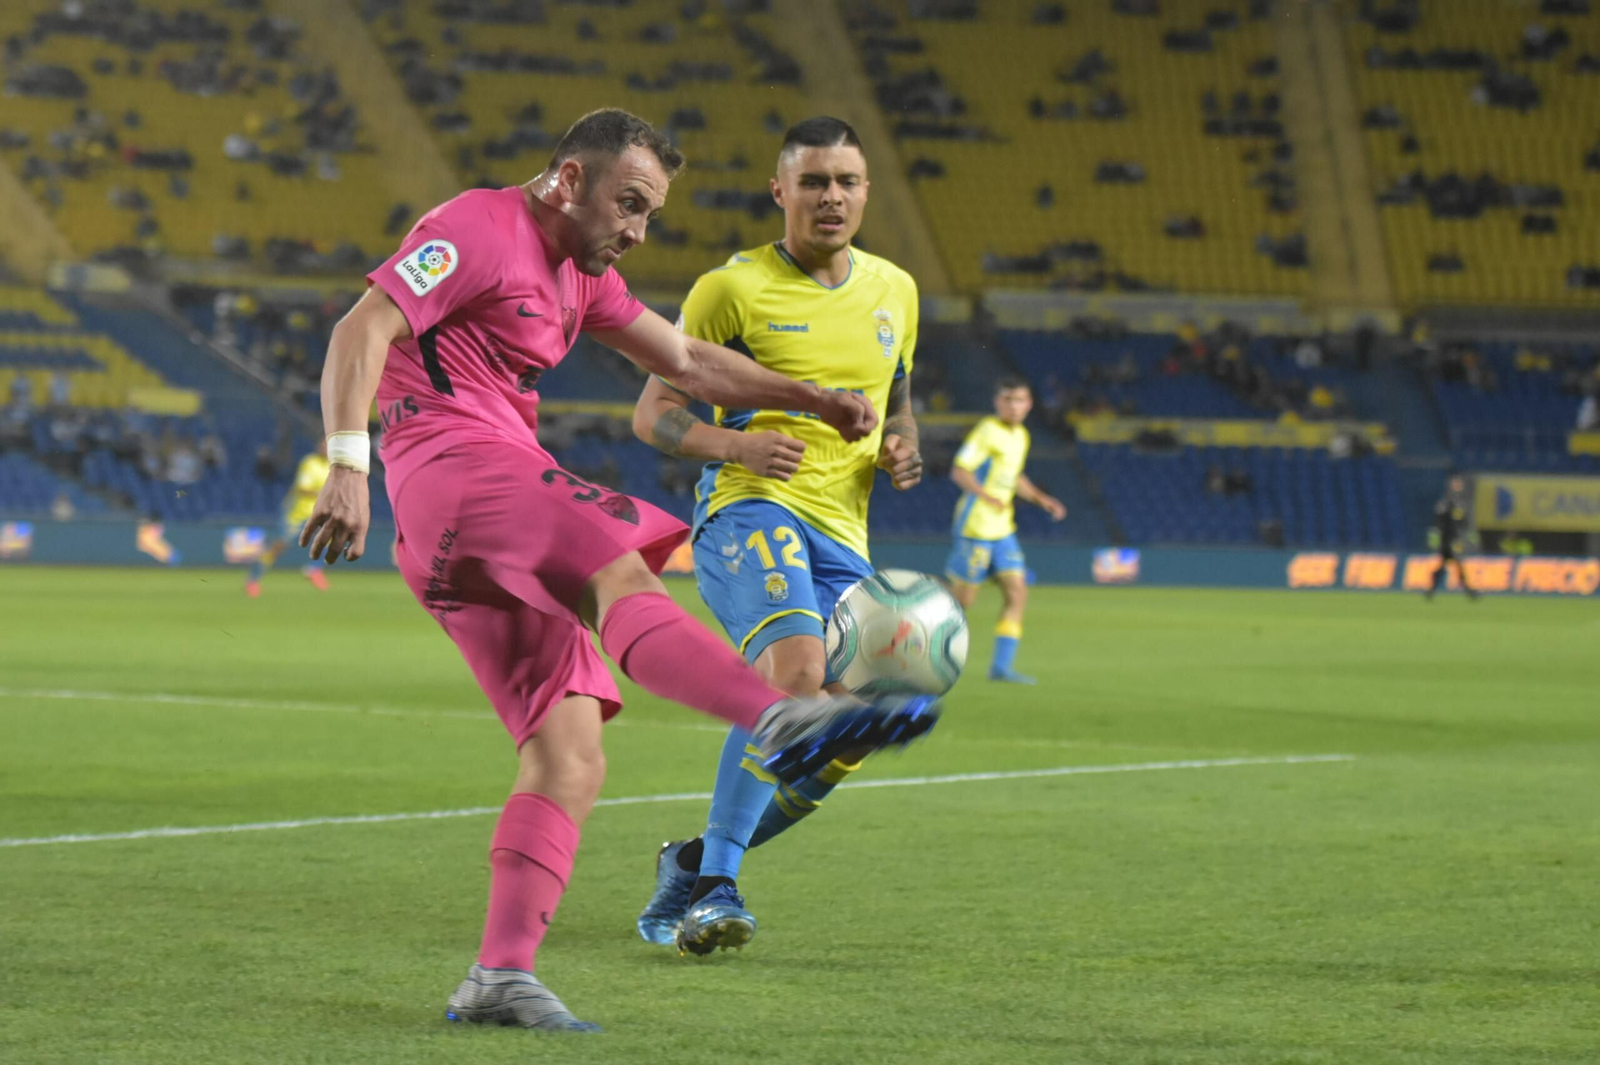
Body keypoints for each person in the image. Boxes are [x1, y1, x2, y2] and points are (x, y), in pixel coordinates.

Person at [298, 108, 939, 1033]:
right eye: (628, 203)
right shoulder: (475, 226)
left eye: (651, 212)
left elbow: (685, 359)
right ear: (567, 181)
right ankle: (783, 718)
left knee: (571, 752)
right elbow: (360, 330)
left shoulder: (578, 275)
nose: (638, 229)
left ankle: (499, 976)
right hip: (458, 470)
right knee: (619, 568)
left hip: (468, 531)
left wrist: (813, 399)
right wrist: (348, 465)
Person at [629, 116, 922, 956]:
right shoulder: (732, 290)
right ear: (780, 191)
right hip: (751, 507)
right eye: (814, 181)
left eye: (847, 182)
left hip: (845, 532)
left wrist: (903, 445)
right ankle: (717, 887)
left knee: (847, 731)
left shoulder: (895, 291)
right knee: (795, 679)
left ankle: (691, 861)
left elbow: (899, 398)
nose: (832, 197)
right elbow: (654, 413)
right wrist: (736, 444)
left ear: (866, 191)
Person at [944, 378, 1067, 683]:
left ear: (1029, 405)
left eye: (1020, 400)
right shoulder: (987, 430)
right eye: (1008, 399)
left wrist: (1042, 499)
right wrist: (984, 495)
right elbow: (960, 470)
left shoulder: (1021, 436)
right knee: (963, 602)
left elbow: (1014, 477)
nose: (1014, 406)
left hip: (1002, 529)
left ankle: (1001, 667)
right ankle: (916, 638)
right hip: (976, 526)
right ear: (997, 402)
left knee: (1017, 591)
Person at [246, 439, 330, 597]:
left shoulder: (333, 466)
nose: (324, 448)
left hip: (319, 513)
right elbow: (303, 489)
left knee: (334, 534)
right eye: (322, 444)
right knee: (278, 547)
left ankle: (314, 569)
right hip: (297, 513)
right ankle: (253, 580)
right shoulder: (310, 463)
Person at [1426, 474, 1478, 601]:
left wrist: (1469, 535)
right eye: (1455, 484)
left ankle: (1431, 590)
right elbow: (1438, 522)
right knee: (1456, 564)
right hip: (1447, 540)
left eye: (1459, 484)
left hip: (1454, 539)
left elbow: (1463, 523)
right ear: (1450, 486)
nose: (1458, 486)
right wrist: (1435, 536)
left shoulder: (1460, 504)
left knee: (1449, 565)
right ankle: (1469, 591)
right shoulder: (1446, 503)